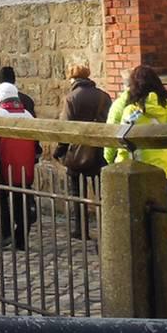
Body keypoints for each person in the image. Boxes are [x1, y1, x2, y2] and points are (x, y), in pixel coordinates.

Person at [103, 65, 167, 201]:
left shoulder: (132, 111)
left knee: (140, 211)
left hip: (140, 170)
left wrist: (116, 164)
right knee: (166, 211)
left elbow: (123, 143)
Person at [0, 81, 40, 250]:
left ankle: (6, 233)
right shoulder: (28, 115)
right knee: (21, 200)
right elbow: (36, 142)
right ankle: (21, 238)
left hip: (1, 166)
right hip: (23, 166)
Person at [59, 63, 113, 237]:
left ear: (73, 79)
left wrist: (60, 150)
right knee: (102, 194)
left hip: (78, 151)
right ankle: (106, 229)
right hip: (100, 150)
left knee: (77, 193)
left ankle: (81, 229)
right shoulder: (104, 97)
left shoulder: (71, 98)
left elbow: (65, 129)